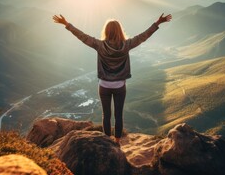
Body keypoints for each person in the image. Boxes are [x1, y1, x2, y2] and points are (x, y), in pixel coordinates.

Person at [53, 13, 172, 145]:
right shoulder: (127, 45)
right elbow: (143, 36)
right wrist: (157, 23)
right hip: (120, 86)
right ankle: (117, 141)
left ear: (106, 31)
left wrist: (67, 24)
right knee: (118, 115)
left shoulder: (99, 45)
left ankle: (107, 142)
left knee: (106, 115)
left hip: (104, 85)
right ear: (120, 31)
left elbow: (82, 36)